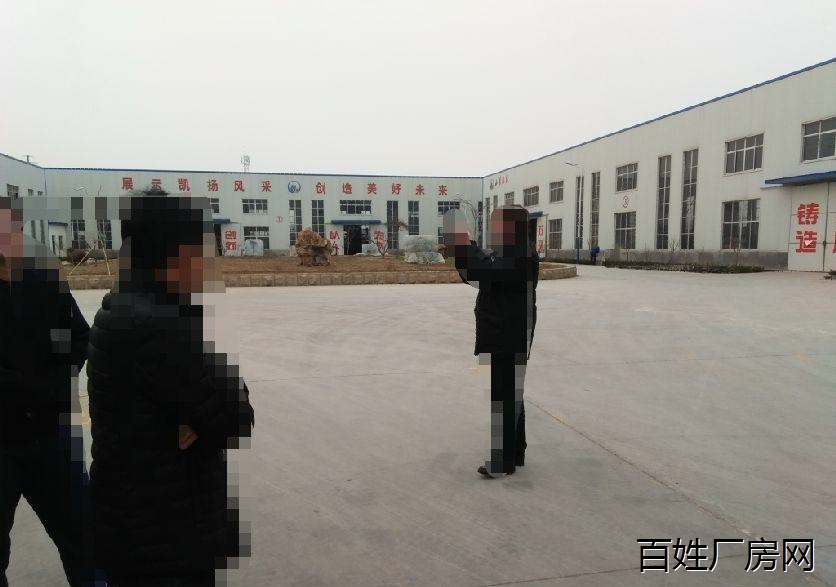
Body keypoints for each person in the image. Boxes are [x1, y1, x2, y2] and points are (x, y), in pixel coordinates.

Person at [86, 191, 254, 586]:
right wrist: (213, 402)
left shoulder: (123, 305)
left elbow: (211, 401)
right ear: (171, 255)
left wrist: (200, 412)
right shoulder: (157, 326)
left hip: (135, 526)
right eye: (202, 249)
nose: (209, 262)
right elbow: (234, 417)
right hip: (165, 539)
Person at [0, 198, 98, 586]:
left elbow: (75, 336)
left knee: (84, 538)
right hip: (3, 440)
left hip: (52, 436)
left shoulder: (40, 280)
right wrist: (27, 387)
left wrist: (56, 377)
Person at [446, 206, 538, 478]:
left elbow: (485, 272)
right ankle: (515, 453)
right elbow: (479, 276)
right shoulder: (513, 251)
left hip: (507, 333)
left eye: (498, 224)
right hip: (507, 330)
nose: (494, 229)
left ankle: (502, 461)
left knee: (504, 396)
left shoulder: (518, 255)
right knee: (511, 394)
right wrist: (463, 251)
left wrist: (466, 245)